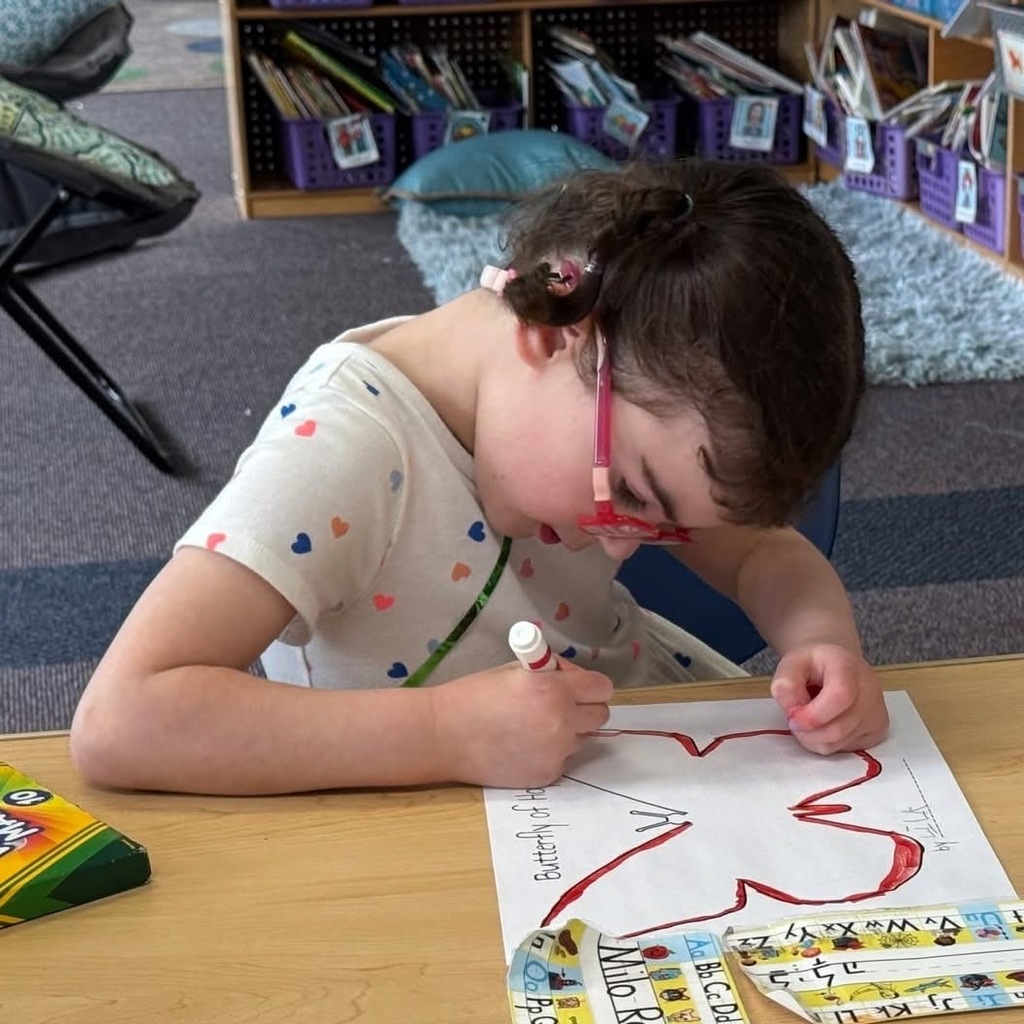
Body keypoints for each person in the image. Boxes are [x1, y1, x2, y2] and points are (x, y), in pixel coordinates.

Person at [70, 160, 887, 796]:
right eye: (633, 495)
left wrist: (823, 643)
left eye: (665, 525)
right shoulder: (342, 451)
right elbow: (122, 720)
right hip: (433, 823)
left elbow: (760, 555)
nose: (624, 544)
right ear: (549, 334)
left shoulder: (645, 386)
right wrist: (440, 733)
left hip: (631, 765)